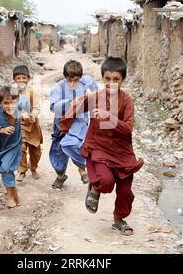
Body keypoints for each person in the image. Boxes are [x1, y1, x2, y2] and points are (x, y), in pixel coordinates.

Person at [60, 57, 144, 236]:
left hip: (122, 150)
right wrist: (64, 127)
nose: (111, 83)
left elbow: (128, 127)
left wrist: (109, 116)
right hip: (99, 147)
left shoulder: (127, 101)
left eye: (116, 79)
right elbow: (75, 108)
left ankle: (118, 220)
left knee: (125, 189)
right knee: (106, 182)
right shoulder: (95, 98)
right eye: (107, 79)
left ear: (123, 80)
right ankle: (95, 188)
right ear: (102, 78)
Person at [49, 60, 99, 189]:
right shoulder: (58, 88)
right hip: (62, 122)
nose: (73, 83)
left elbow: (96, 89)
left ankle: (83, 169)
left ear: (80, 77)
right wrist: (71, 102)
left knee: (73, 143)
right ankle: (61, 175)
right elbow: (54, 107)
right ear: (65, 77)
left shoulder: (85, 81)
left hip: (79, 120)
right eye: (69, 80)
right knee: (58, 150)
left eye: (76, 80)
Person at [0, 86, 31, 209]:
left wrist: (28, 116)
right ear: (0, 103)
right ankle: (14, 193)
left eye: (13, 102)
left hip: (14, 145)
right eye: (6, 103)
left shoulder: (20, 110)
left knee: (6, 169)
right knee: (4, 170)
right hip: (0, 147)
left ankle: (9, 198)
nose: (10, 106)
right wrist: (1, 129)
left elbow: (29, 114)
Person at [12, 65, 43, 182]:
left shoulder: (32, 92)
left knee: (36, 150)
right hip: (19, 126)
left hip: (33, 125)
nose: (21, 80)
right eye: (18, 78)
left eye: (24, 78)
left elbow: (36, 108)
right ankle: (22, 170)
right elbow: (10, 109)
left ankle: (33, 167)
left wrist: (32, 115)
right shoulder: (12, 92)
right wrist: (19, 115)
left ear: (28, 79)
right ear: (14, 79)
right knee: (21, 148)